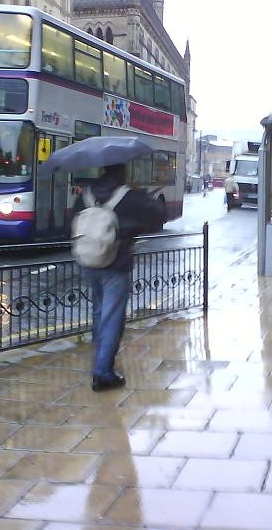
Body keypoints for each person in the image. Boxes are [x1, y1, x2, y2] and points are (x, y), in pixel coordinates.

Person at [73, 164, 166, 391]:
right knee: (112, 317)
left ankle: (99, 357)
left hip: (88, 261)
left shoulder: (87, 192)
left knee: (99, 311)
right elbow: (157, 218)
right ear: (122, 172)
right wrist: (144, 197)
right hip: (116, 263)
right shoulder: (129, 196)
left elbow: (74, 221)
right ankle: (103, 373)